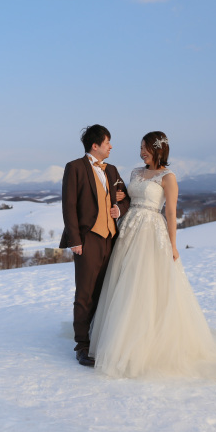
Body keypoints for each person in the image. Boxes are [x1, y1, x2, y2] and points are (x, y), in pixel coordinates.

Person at [88, 132, 216, 380]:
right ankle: (116, 335)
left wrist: (173, 246)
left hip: (151, 233)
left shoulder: (168, 177)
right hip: (129, 229)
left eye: (145, 148)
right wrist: (121, 197)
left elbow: (171, 214)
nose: (142, 152)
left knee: (144, 285)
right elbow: (127, 198)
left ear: (158, 149)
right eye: (141, 148)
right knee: (123, 282)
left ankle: (145, 344)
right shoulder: (134, 173)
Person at [60, 125, 130, 367]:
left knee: (104, 290)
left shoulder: (111, 170)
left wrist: (119, 207)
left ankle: (98, 336)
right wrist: (75, 240)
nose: (111, 147)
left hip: (111, 239)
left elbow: (126, 196)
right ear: (95, 145)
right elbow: (68, 206)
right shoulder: (75, 168)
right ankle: (82, 344)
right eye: (107, 142)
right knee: (85, 294)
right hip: (88, 238)